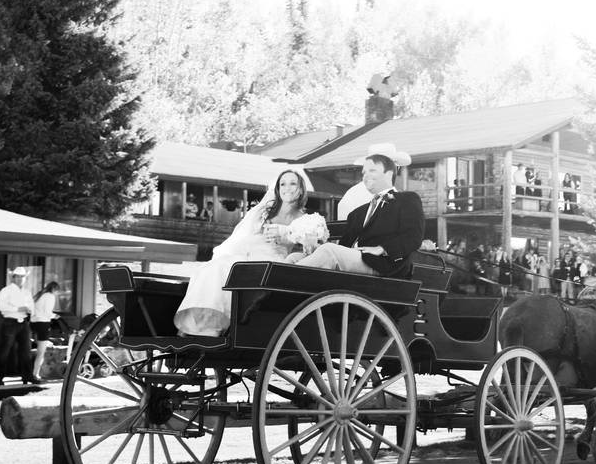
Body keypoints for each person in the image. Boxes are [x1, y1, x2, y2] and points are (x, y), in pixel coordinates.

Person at [174, 169, 324, 337]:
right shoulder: (264, 211)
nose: (287, 188)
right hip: (246, 253)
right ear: (277, 188)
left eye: (293, 183)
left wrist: (285, 234)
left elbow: (311, 250)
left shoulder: (305, 220)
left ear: (301, 189)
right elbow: (243, 236)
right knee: (215, 267)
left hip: (272, 261)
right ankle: (197, 325)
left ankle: (214, 327)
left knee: (232, 269)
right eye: (283, 184)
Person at [297, 143, 424, 278]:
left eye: (372, 170)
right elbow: (344, 248)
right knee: (295, 257)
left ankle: (280, 278)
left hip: (384, 266)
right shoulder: (357, 213)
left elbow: (413, 237)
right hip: (355, 260)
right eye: (364, 172)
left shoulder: (407, 199)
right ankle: (277, 290)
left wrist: (382, 249)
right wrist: (317, 248)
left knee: (329, 251)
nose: (365, 176)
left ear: (389, 173)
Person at [0, 267, 41, 385]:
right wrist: (18, 308)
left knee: (26, 350)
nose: (20, 279)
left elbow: (31, 306)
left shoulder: (27, 292)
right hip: (10, 321)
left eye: (22, 277)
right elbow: (1, 307)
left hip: (24, 322)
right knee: (4, 350)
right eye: (18, 276)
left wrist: (30, 310)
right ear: (13, 277)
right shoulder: (6, 290)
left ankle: (27, 377)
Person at [30, 281, 59, 381]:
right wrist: (55, 316)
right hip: (43, 324)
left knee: (31, 349)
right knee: (41, 352)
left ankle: (29, 372)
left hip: (33, 323)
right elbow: (47, 312)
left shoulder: (39, 295)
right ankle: (35, 374)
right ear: (55, 289)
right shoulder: (50, 296)